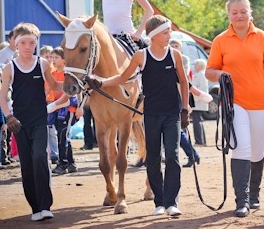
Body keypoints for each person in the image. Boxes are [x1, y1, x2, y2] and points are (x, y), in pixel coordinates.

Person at [85, 15, 189, 217]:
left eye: (168, 32)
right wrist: (100, 81)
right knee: (153, 158)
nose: (169, 36)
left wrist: (185, 109)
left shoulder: (175, 55)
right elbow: (123, 78)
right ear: (154, 36)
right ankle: (159, 202)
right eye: (166, 33)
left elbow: (184, 82)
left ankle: (171, 202)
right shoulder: (141, 56)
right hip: (150, 113)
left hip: (171, 113)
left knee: (173, 156)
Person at [205, 0, 264, 217]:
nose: (239, 16)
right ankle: (241, 201)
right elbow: (209, 71)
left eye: (243, 11)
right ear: (229, 15)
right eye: (235, 12)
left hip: (261, 102)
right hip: (233, 103)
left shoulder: (263, 38)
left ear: (250, 13)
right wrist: (221, 73)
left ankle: (254, 196)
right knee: (241, 147)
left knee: (257, 151)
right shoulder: (220, 41)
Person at [0, 22, 62, 221]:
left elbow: (55, 86)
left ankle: (45, 206)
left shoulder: (42, 63)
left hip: (39, 118)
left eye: (32, 43)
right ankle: (35, 208)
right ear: (16, 45)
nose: (28, 46)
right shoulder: (9, 67)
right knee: (26, 164)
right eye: (24, 42)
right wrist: (8, 117)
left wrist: (74, 82)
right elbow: (2, 98)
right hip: (19, 122)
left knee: (39, 158)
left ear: (36, 44)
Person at [170, 38, 200, 168]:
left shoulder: (184, 60)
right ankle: (192, 154)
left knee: (179, 130)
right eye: (173, 45)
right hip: (170, 96)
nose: (175, 47)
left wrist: (185, 103)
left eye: (177, 45)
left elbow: (183, 78)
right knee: (178, 131)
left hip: (181, 95)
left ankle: (192, 154)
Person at [48, 47, 78, 175]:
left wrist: (80, 107)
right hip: (55, 108)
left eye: (56, 57)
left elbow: (75, 92)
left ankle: (63, 164)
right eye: (52, 57)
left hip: (67, 108)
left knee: (62, 136)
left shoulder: (68, 75)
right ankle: (71, 163)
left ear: (64, 60)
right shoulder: (53, 74)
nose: (53, 60)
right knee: (63, 135)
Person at [191, 59, 210, 146]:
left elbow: (202, 88)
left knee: (197, 121)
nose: (194, 66)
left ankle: (199, 141)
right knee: (198, 121)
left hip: (198, 101)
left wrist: (197, 99)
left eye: (196, 64)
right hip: (197, 101)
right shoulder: (199, 74)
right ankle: (201, 140)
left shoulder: (201, 75)